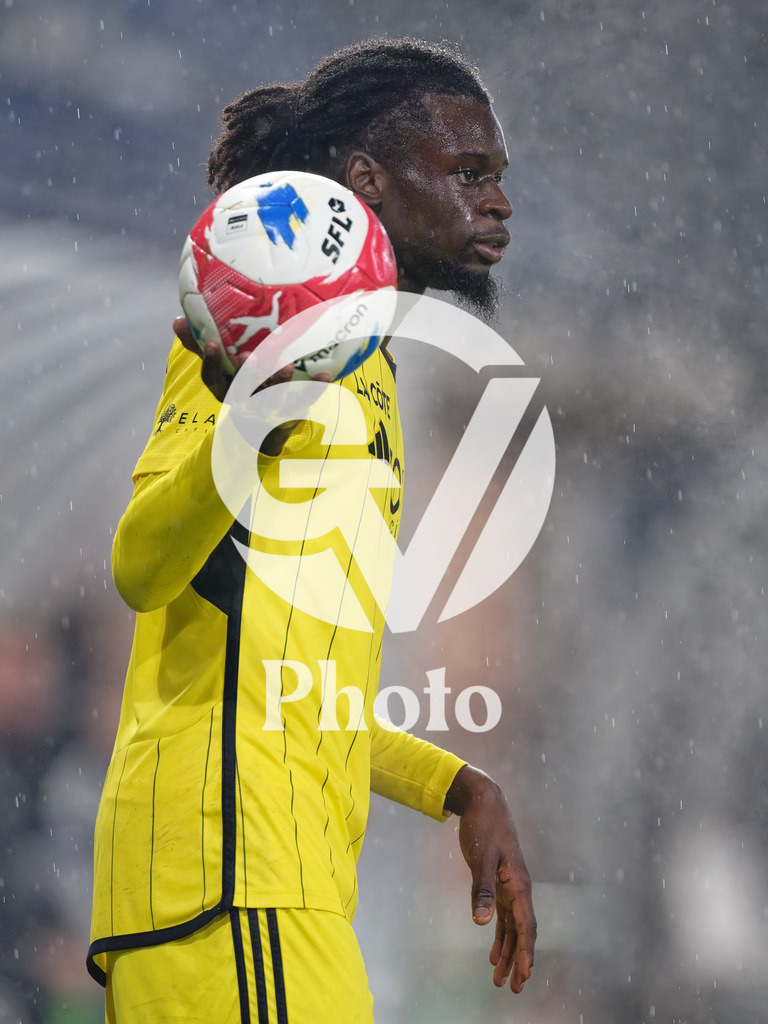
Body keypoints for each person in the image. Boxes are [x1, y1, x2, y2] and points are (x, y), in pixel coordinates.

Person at [88, 36, 536, 1023]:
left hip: (272, 897)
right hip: (227, 881)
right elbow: (140, 563)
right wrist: (253, 411)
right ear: (364, 180)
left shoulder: (366, 366)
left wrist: (459, 787)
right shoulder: (266, 325)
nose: (497, 202)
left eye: (499, 178)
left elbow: (298, 688)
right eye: (467, 173)